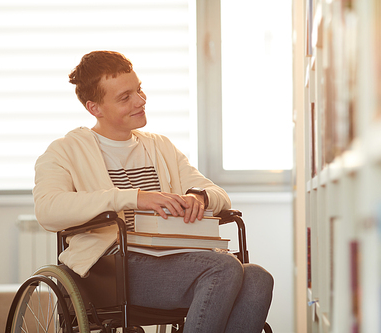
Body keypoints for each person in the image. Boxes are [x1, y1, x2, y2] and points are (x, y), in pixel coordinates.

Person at [33, 50, 274, 333]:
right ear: (94, 108)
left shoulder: (160, 147)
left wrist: (199, 197)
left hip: (174, 256)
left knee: (258, 278)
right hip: (110, 266)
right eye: (125, 97)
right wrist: (134, 197)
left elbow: (216, 193)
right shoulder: (64, 151)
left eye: (139, 89)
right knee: (222, 268)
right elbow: (48, 210)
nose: (140, 101)